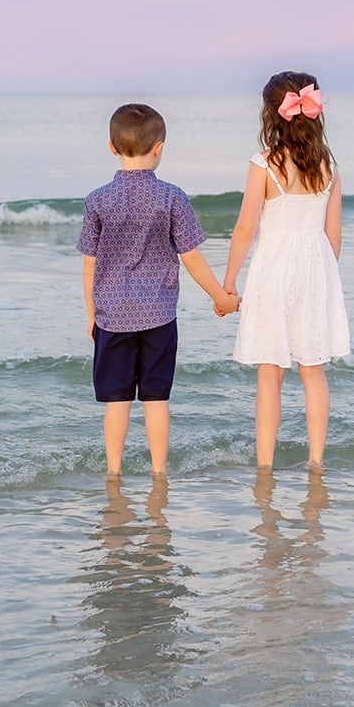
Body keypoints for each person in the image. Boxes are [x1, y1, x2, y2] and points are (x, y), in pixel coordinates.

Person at [80, 103, 240, 476]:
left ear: (112, 147)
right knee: (156, 400)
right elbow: (192, 257)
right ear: (159, 148)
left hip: (112, 316)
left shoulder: (96, 200)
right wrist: (221, 298)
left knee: (116, 402)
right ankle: (158, 474)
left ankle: (114, 473)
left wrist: (91, 316)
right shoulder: (171, 197)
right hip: (159, 316)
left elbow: (89, 264)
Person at [223, 72, 350, 469]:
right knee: (313, 371)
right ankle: (316, 461)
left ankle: (265, 465)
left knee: (270, 372)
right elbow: (333, 233)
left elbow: (245, 228)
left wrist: (228, 281)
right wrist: (323, 274)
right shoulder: (329, 166)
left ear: (270, 114)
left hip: (274, 268)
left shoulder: (264, 164)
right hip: (317, 266)